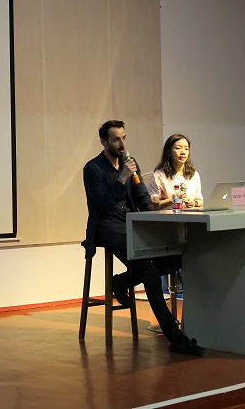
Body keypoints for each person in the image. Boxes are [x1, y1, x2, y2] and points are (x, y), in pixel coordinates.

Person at [82, 120, 204, 356]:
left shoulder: (131, 163)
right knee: (149, 273)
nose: (122, 144)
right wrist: (122, 178)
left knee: (175, 257)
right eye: (116, 139)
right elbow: (104, 205)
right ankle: (176, 338)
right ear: (104, 142)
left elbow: (143, 201)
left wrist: (158, 202)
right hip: (108, 229)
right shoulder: (93, 169)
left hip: (132, 225)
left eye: (124, 138)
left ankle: (123, 281)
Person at [148, 133, 204, 210]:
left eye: (186, 149)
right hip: (169, 216)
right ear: (169, 152)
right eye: (178, 148)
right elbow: (152, 206)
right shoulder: (159, 176)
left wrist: (194, 203)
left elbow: (200, 201)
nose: (183, 152)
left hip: (190, 215)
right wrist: (173, 199)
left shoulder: (194, 174)